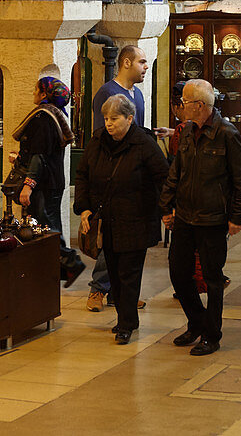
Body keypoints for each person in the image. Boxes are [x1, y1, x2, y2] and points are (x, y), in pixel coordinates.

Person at [161, 79, 241, 356]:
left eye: (185, 102)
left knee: (213, 279)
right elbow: (175, 173)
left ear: (200, 105)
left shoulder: (227, 134)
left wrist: (237, 216)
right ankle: (197, 322)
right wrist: (166, 207)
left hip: (213, 220)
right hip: (185, 218)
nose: (181, 106)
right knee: (179, 275)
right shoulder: (187, 132)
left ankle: (211, 335)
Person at [74, 94, 170, 344]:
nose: (108, 123)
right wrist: (84, 208)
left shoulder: (144, 144)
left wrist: (167, 210)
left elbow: (164, 177)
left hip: (136, 219)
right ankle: (125, 319)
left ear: (129, 118)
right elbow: (82, 174)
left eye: (114, 118)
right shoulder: (97, 142)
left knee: (129, 272)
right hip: (107, 219)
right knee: (114, 272)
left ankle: (126, 323)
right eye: (106, 118)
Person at [86, 45, 149, 312]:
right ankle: (98, 290)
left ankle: (122, 293)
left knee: (129, 239)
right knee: (111, 236)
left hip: (135, 175)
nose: (146, 67)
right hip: (113, 175)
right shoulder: (108, 93)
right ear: (125, 63)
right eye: (142, 62)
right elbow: (105, 139)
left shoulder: (138, 95)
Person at [12, 76, 86, 286]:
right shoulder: (56, 114)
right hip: (52, 181)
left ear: (44, 94)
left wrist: (28, 185)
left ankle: (71, 263)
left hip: (44, 184)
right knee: (49, 225)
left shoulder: (43, 117)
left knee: (46, 227)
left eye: (36, 89)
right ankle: (57, 269)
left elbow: (40, 155)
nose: (33, 93)